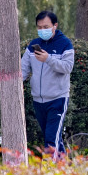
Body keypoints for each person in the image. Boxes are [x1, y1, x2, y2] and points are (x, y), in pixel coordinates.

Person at [21, 10, 75, 157]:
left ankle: (49, 174)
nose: (42, 30)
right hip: (38, 100)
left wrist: (48, 59)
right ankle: (65, 172)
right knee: (53, 138)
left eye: (46, 27)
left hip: (57, 99)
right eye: (39, 27)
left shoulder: (65, 44)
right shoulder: (34, 45)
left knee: (51, 140)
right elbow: (23, 70)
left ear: (54, 26)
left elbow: (67, 67)